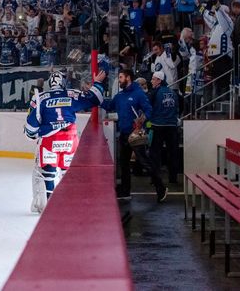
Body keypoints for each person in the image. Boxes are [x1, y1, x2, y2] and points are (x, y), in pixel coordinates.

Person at [24, 70, 107, 214]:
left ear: (50, 83)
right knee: (67, 173)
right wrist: (97, 83)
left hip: (50, 140)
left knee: (48, 172)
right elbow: (95, 99)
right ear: (63, 82)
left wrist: (31, 134)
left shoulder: (41, 98)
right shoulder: (71, 94)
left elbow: (31, 126)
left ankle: (50, 204)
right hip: (70, 139)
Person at [101, 69, 167, 202]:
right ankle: (125, 191)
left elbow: (149, 110)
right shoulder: (119, 96)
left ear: (128, 78)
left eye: (120, 77)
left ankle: (161, 187)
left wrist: (141, 121)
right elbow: (109, 106)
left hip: (136, 134)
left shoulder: (139, 94)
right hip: (124, 134)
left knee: (145, 163)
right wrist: (96, 97)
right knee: (124, 163)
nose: (118, 80)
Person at [149, 70, 179, 185]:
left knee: (155, 153)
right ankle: (173, 178)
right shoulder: (173, 93)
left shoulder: (155, 93)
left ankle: (155, 178)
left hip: (158, 126)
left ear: (159, 80)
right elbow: (177, 108)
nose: (151, 81)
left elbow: (149, 108)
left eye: (153, 79)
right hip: (172, 126)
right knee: (173, 153)